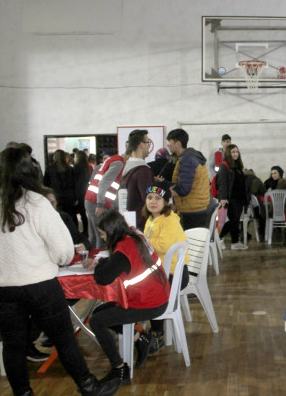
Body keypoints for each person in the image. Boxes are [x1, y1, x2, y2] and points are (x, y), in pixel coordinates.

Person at [0, 147, 118, 396]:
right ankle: (89, 387)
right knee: (64, 338)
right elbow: (64, 253)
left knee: (13, 344)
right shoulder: (36, 202)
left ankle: (23, 392)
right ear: (29, 172)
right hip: (39, 285)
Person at [86, 210, 170, 385]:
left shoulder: (124, 250)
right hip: (157, 295)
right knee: (99, 313)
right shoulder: (133, 236)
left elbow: (102, 278)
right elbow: (117, 265)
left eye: (103, 234)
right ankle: (141, 339)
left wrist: (98, 264)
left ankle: (119, 369)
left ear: (111, 232)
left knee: (96, 321)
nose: (102, 238)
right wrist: (104, 263)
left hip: (149, 303)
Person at [142, 182, 190, 353]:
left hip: (175, 274)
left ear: (166, 202)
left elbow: (162, 246)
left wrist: (142, 242)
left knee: (150, 290)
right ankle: (140, 331)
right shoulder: (151, 219)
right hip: (161, 270)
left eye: (158, 198)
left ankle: (157, 333)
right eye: (149, 198)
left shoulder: (169, 221)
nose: (153, 201)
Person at [165, 128, 211, 230]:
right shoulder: (191, 157)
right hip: (196, 208)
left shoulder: (187, 160)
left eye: (169, 142)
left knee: (192, 239)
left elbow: (184, 189)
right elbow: (186, 182)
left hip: (192, 210)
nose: (168, 145)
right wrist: (165, 183)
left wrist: (164, 192)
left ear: (177, 144)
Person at [84, 150, 126, 249]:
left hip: (90, 199)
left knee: (94, 235)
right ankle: (99, 257)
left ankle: (90, 256)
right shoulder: (118, 163)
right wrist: (100, 204)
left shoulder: (111, 161)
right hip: (96, 202)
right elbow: (103, 183)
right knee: (101, 235)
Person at [216, 144, 250, 250]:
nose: (235, 154)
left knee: (235, 221)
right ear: (228, 153)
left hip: (239, 198)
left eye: (237, 152)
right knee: (233, 221)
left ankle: (234, 242)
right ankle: (219, 237)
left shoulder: (237, 166)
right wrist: (223, 198)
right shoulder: (224, 166)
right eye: (233, 152)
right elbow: (222, 183)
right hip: (231, 199)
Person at [120, 130, 154, 229]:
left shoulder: (128, 167)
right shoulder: (142, 170)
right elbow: (148, 197)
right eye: (148, 142)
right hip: (142, 221)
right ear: (141, 145)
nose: (149, 146)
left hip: (131, 219)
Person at [44, 149, 77, 226]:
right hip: (69, 197)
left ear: (54, 157)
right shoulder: (70, 169)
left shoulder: (50, 169)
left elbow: (45, 184)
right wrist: (75, 197)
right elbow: (74, 184)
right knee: (71, 217)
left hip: (56, 196)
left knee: (57, 217)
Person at [74, 151, 92, 236]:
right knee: (83, 213)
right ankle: (86, 231)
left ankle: (78, 231)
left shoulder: (76, 167)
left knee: (77, 212)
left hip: (78, 191)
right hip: (86, 190)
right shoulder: (87, 167)